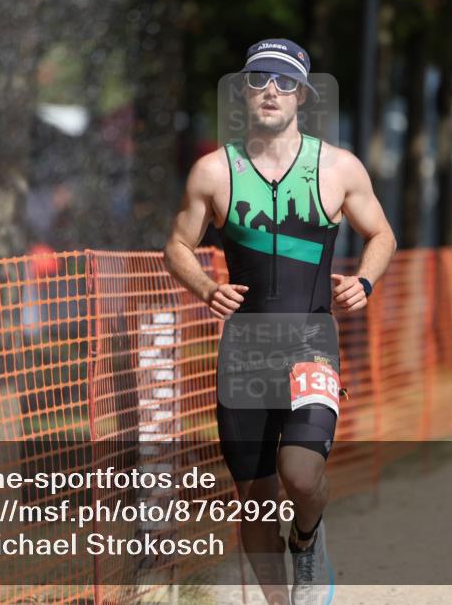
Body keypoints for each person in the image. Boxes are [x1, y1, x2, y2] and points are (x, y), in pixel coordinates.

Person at [164, 39, 395, 605]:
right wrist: (206, 287)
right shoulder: (214, 171)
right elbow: (177, 244)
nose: (271, 89)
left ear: (303, 96)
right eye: (260, 78)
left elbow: (382, 234)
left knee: (299, 474)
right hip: (243, 352)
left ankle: (309, 538)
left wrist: (363, 281)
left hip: (311, 342)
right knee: (255, 498)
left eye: (285, 81)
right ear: (244, 91)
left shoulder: (338, 168)